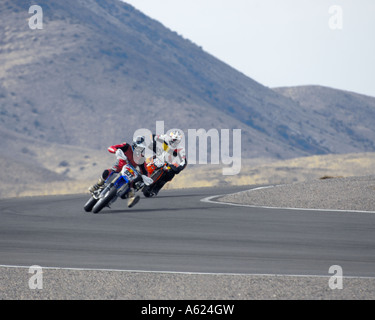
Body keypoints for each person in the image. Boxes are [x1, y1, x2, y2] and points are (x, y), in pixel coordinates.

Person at [88, 136, 147, 208]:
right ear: (134, 145)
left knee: (134, 184)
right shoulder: (126, 146)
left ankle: (131, 198)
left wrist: (145, 179)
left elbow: (144, 171)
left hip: (128, 174)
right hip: (118, 168)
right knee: (107, 172)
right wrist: (116, 150)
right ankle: (96, 186)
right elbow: (111, 147)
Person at [144, 130, 187, 196]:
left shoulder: (180, 149)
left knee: (169, 175)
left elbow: (184, 161)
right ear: (171, 137)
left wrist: (178, 168)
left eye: (177, 140)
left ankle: (155, 190)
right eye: (174, 139)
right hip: (159, 155)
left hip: (169, 162)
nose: (175, 141)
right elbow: (154, 136)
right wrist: (153, 140)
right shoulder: (165, 137)